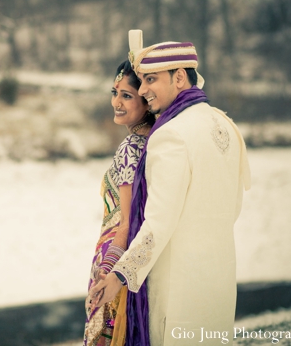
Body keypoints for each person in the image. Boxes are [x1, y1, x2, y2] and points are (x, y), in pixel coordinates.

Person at [89, 30, 251, 346]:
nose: (144, 89)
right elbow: (233, 206)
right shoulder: (222, 123)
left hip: (177, 286)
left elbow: (158, 223)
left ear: (179, 77)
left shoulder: (169, 136)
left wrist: (121, 274)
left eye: (151, 79)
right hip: (218, 278)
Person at [84, 60, 155, 346]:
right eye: (115, 92)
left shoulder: (131, 149)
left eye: (127, 95)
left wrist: (109, 271)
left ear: (147, 101)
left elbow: (125, 223)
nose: (116, 102)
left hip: (116, 256)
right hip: (136, 259)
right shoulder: (156, 140)